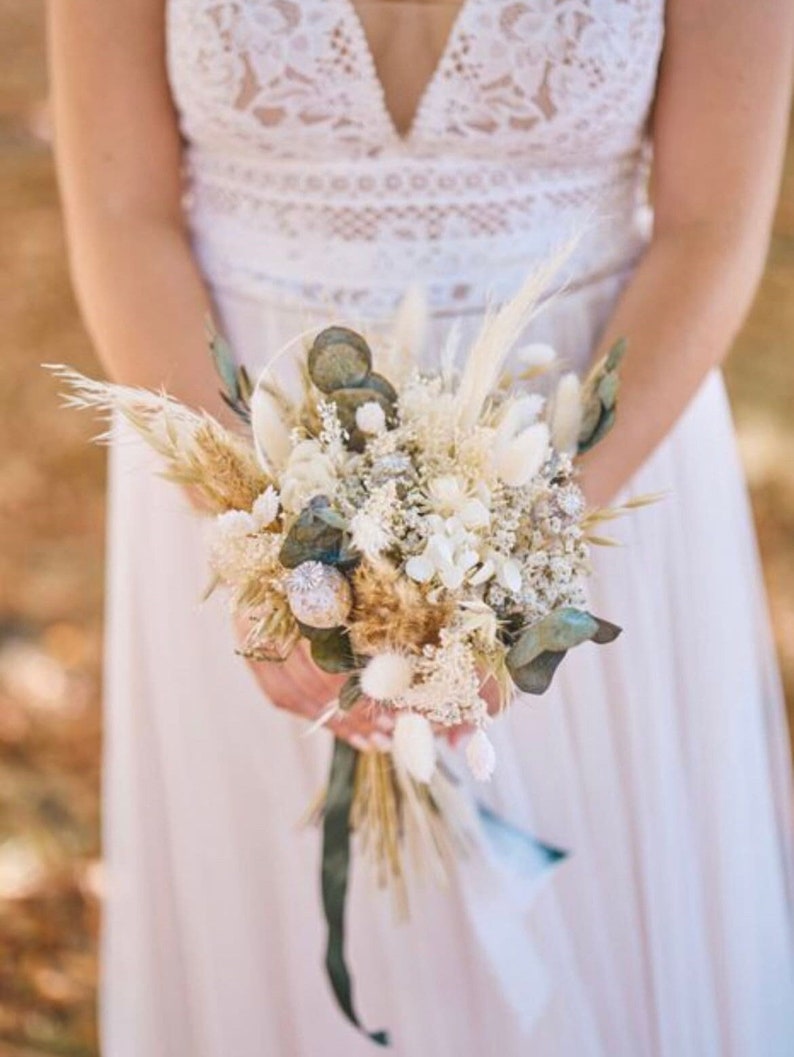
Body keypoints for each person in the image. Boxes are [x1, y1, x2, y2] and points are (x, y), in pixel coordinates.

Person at [49, 1, 794, 1053]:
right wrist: (260, 544)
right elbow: (122, 211)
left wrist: (526, 556)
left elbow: (709, 224)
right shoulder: (241, 513)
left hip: (589, 452)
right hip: (232, 442)